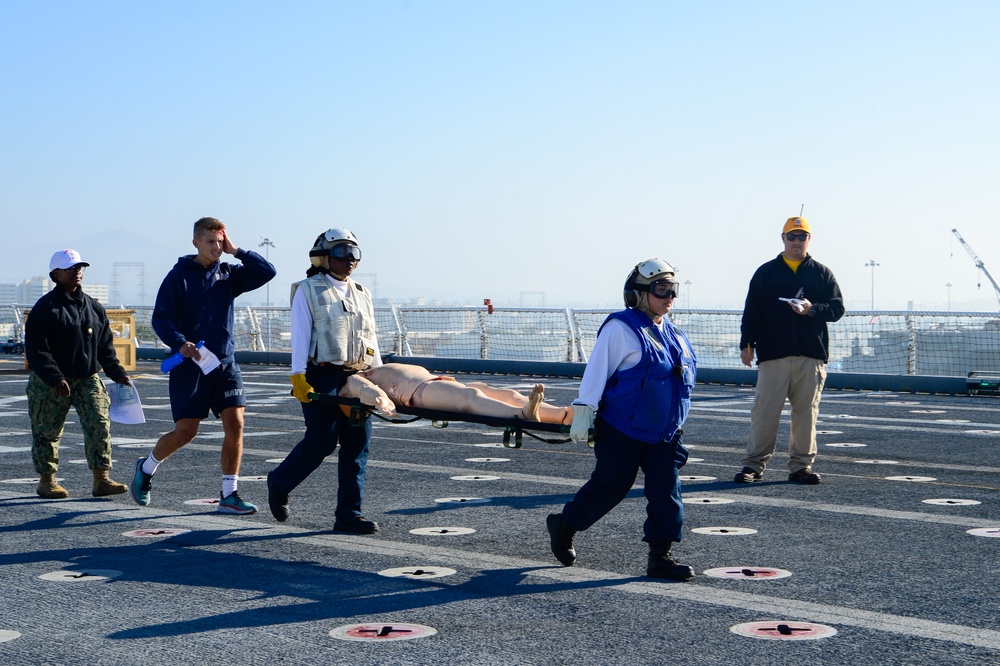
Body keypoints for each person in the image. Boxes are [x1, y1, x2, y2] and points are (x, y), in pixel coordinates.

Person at [546, 259, 697, 580]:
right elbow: (596, 371)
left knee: (666, 492)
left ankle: (660, 555)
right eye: (661, 289)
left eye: (673, 290)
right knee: (609, 488)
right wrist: (584, 410)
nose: (669, 296)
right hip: (622, 428)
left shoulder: (673, 333)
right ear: (639, 294)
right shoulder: (620, 328)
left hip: (664, 432)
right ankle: (564, 525)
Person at [130, 217, 276, 513]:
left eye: (220, 241)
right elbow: (161, 318)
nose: (216, 247)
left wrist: (238, 251)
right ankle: (146, 467)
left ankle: (229, 493)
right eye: (211, 242)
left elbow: (267, 271)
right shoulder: (178, 277)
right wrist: (179, 342)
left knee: (235, 422)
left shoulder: (229, 273)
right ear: (196, 242)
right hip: (189, 366)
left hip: (224, 364)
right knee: (186, 432)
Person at [266, 228, 383, 534]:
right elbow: (301, 336)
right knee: (322, 440)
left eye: (355, 254)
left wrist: (379, 377)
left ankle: (349, 514)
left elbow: (372, 338)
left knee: (358, 445)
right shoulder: (309, 290)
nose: (350, 260)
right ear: (324, 257)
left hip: (358, 374)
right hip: (321, 374)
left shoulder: (362, 292)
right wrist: (298, 377)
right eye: (343, 253)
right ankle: (279, 481)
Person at [734, 216, 845, 485]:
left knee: (806, 413)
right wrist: (746, 343)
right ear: (782, 238)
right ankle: (753, 466)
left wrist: (811, 309)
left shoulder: (822, 273)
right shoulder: (766, 273)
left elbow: (837, 308)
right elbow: (753, 311)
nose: (797, 241)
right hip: (773, 353)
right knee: (765, 411)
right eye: (792, 236)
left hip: (811, 354)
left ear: (809, 239)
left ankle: (801, 467)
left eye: (802, 236)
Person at [24, 249, 132, 499]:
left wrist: (118, 374)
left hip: (87, 378)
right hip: (51, 381)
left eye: (80, 267)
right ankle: (47, 480)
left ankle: (101, 479)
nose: (77, 272)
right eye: (71, 268)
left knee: (99, 425)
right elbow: (37, 350)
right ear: (56, 274)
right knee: (47, 430)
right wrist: (55, 378)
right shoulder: (45, 308)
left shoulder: (93, 307)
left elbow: (105, 347)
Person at [339, 362, 573, 424]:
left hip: (436, 382)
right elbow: (363, 390)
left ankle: (562, 415)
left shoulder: (373, 368)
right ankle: (522, 414)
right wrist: (381, 401)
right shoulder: (356, 378)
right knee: (470, 400)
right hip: (422, 391)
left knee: (502, 392)